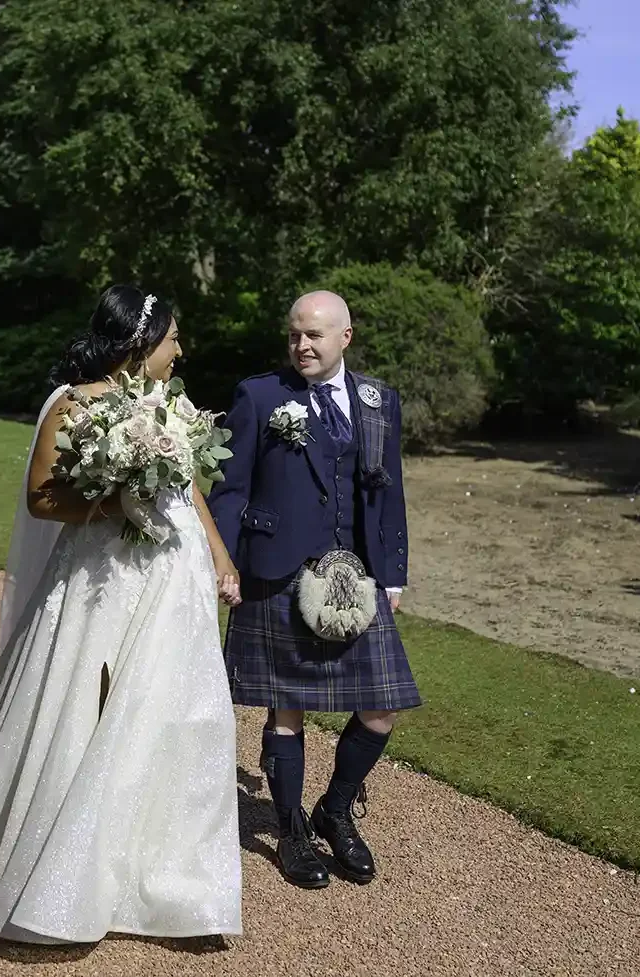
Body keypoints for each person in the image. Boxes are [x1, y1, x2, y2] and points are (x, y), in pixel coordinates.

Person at [0, 285, 243, 944]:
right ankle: (65, 856)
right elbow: (44, 499)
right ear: (138, 343)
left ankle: (164, 859)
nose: (181, 349)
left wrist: (219, 556)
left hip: (175, 580)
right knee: (87, 701)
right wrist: (119, 499)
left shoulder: (174, 403)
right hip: (102, 578)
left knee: (175, 705)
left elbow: (187, 485)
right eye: (173, 338)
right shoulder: (72, 404)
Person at [206, 290, 420, 890]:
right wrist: (224, 561)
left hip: (356, 577)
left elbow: (389, 491)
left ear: (344, 337)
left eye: (315, 336)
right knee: (287, 709)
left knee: (381, 708)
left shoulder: (379, 402)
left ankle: (336, 809)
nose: (302, 345)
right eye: (295, 334)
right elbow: (230, 487)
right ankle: (292, 830)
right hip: (278, 569)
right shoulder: (261, 395)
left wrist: (394, 572)